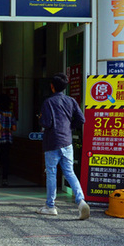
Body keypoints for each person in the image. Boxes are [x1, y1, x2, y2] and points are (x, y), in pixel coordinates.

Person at [38, 73, 90, 220]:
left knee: (52, 173)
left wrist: (40, 119)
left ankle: (50, 206)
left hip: (52, 142)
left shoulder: (48, 102)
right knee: (69, 172)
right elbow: (81, 119)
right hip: (67, 142)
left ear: (52, 86)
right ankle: (81, 201)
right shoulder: (71, 101)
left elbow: (46, 123)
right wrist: (69, 128)